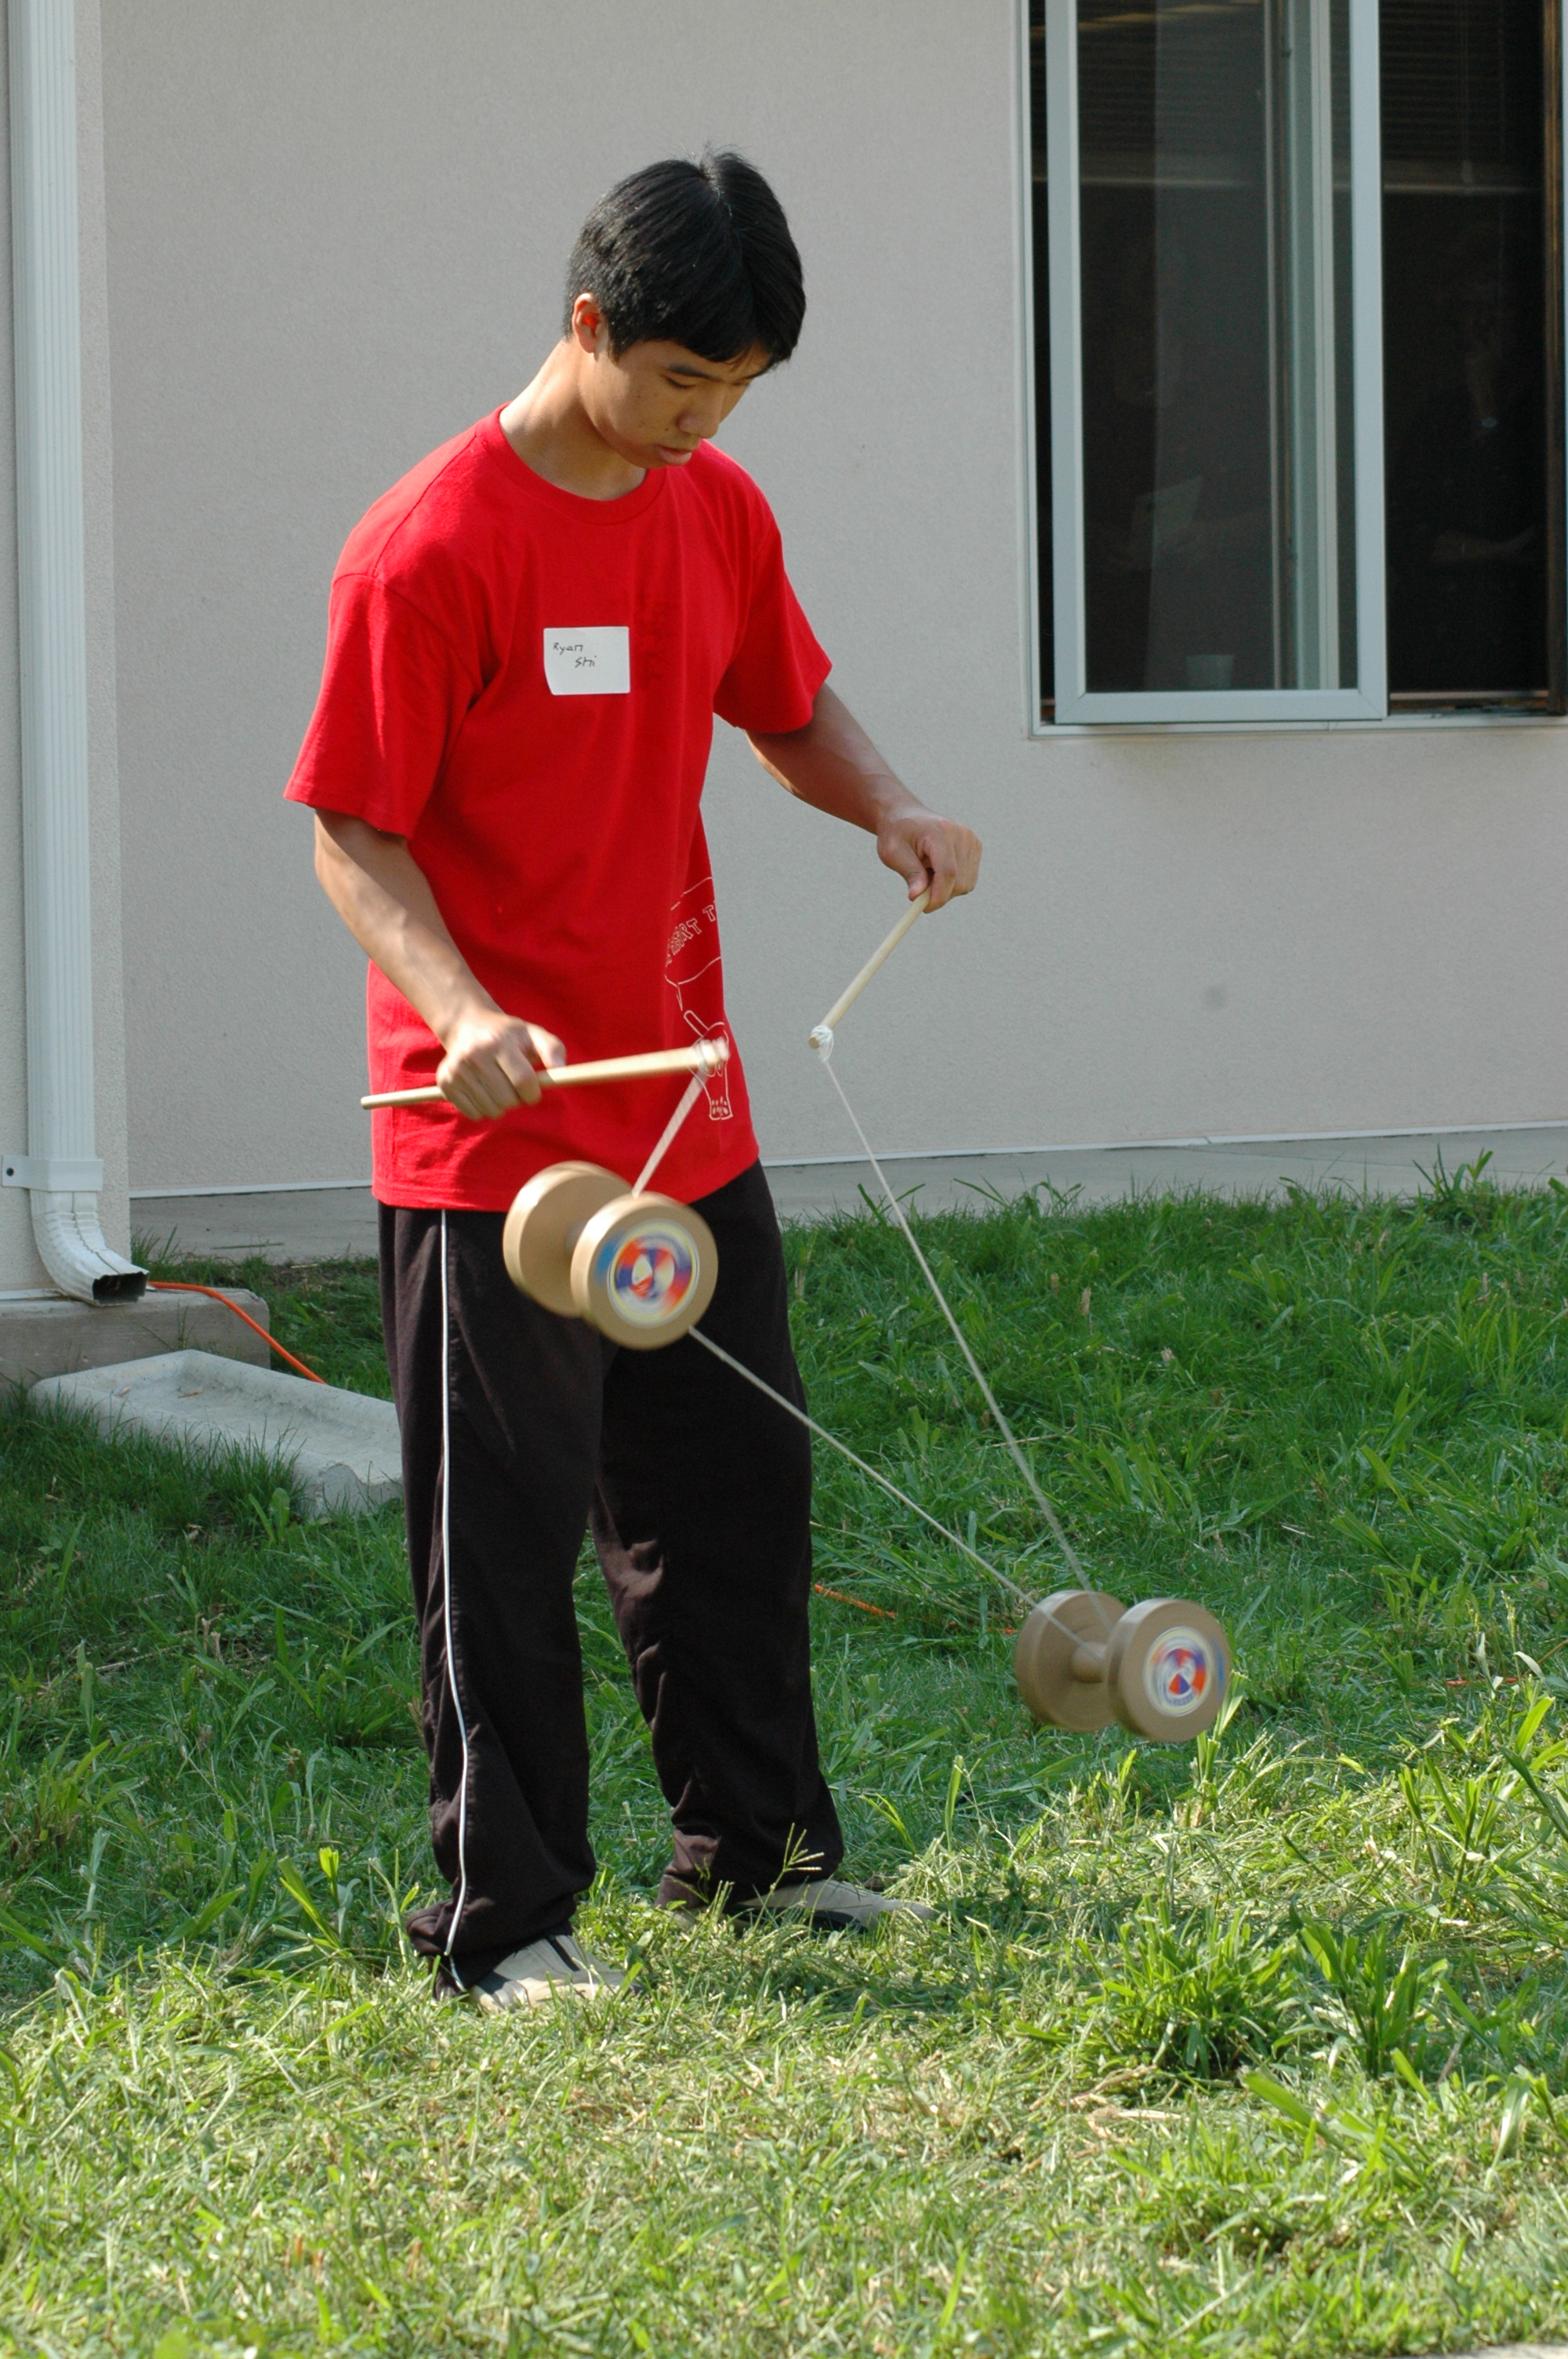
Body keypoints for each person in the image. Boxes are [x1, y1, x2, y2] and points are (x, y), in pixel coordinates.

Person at [286, 150, 981, 2012]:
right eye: (682, 380)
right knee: (502, 1539)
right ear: (589, 323)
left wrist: (890, 803)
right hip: (497, 1141)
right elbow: (352, 828)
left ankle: (755, 1856)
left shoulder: (712, 508)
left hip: (682, 1106)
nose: (704, 422)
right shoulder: (428, 546)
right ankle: (502, 1920)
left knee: (730, 1492)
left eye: (736, 391)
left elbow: (784, 703)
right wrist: (457, 1009)